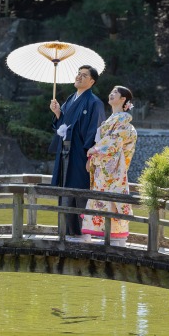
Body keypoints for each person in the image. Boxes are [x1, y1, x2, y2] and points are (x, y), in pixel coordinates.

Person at [49, 65, 106, 239]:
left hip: (81, 154)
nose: (79, 77)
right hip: (65, 151)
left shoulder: (94, 102)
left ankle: (82, 232)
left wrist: (90, 156)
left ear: (92, 81)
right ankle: (66, 230)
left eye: (84, 75)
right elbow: (63, 127)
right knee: (65, 187)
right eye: (78, 74)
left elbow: (95, 131)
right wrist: (58, 113)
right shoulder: (70, 99)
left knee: (80, 189)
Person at [82, 86, 138, 246]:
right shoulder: (112, 120)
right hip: (103, 166)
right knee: (101, 197)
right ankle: (106, 235)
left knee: (114, 197)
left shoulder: (124, 122)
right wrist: (94, 157)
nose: (111, 94)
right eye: (111, 91)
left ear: (123, 100)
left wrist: (94, 150)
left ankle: (117, 238)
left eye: (115, 93)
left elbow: (113, 142)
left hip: (114, 167)